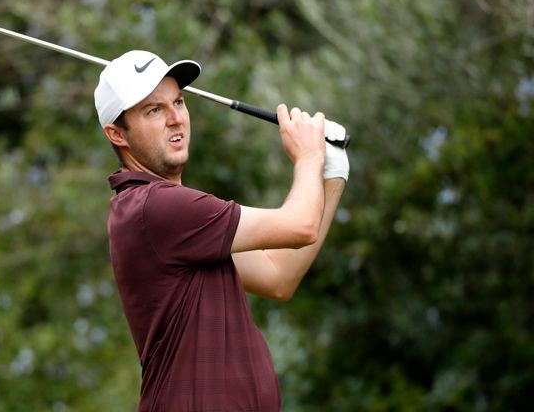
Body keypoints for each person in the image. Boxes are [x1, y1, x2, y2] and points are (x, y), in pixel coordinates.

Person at [94, 50, 349, 411]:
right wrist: (309, 158)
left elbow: (279, 276)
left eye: (178, 102)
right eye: (154, 110)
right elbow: (301, 226)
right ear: (117, 134)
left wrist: (332, 174)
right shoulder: (154, 207)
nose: (175, 119)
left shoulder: (180, 224)